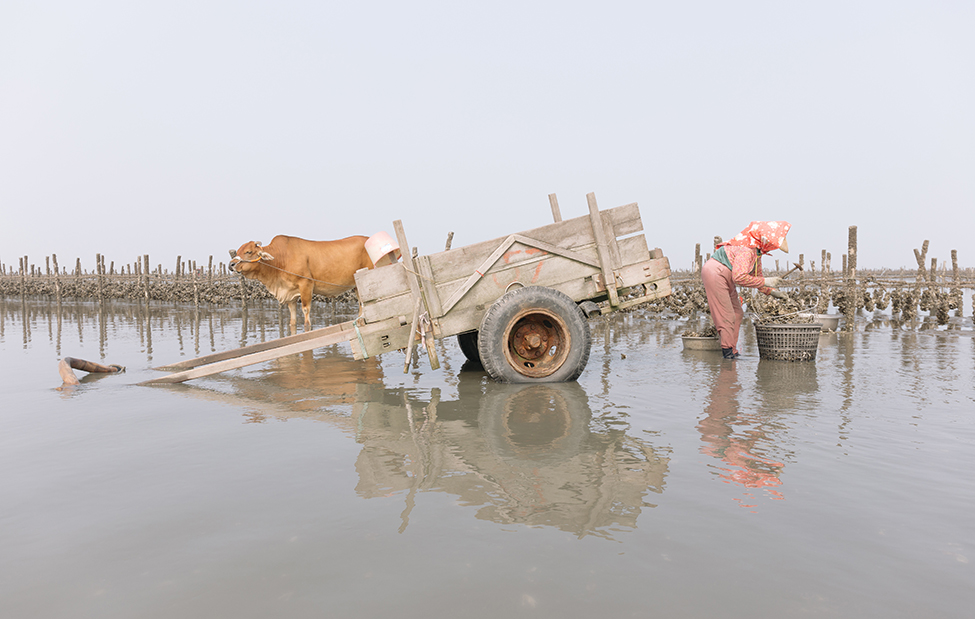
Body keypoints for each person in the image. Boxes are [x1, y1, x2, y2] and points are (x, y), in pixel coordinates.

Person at [701, 221, 791, 359]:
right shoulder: (747, 250)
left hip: (727, 276)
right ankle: (727, 352)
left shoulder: (756, 253)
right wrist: (767, 281)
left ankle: (732, 348)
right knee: (727, 315)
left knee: (738, 313)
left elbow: (757, 278)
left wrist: (772, 292)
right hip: (716, 273)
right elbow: (739, 278)